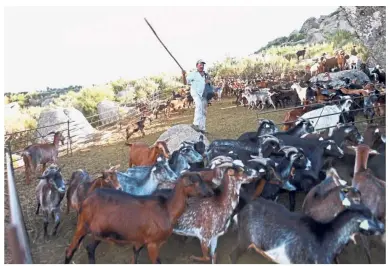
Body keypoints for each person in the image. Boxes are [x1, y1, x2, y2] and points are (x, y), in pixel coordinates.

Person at [182, 59, 211, 134]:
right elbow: (185, 82)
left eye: (203, 65)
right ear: (197, 66)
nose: (202, 66)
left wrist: (208, 81)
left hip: (204, 94)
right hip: (195, 93)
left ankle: (202, 128)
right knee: (198, 106)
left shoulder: (206, 74)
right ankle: (196, 124)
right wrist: (183, 75)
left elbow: (209, 84)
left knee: (204, 111)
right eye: (200, 64)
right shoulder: (193, 74)